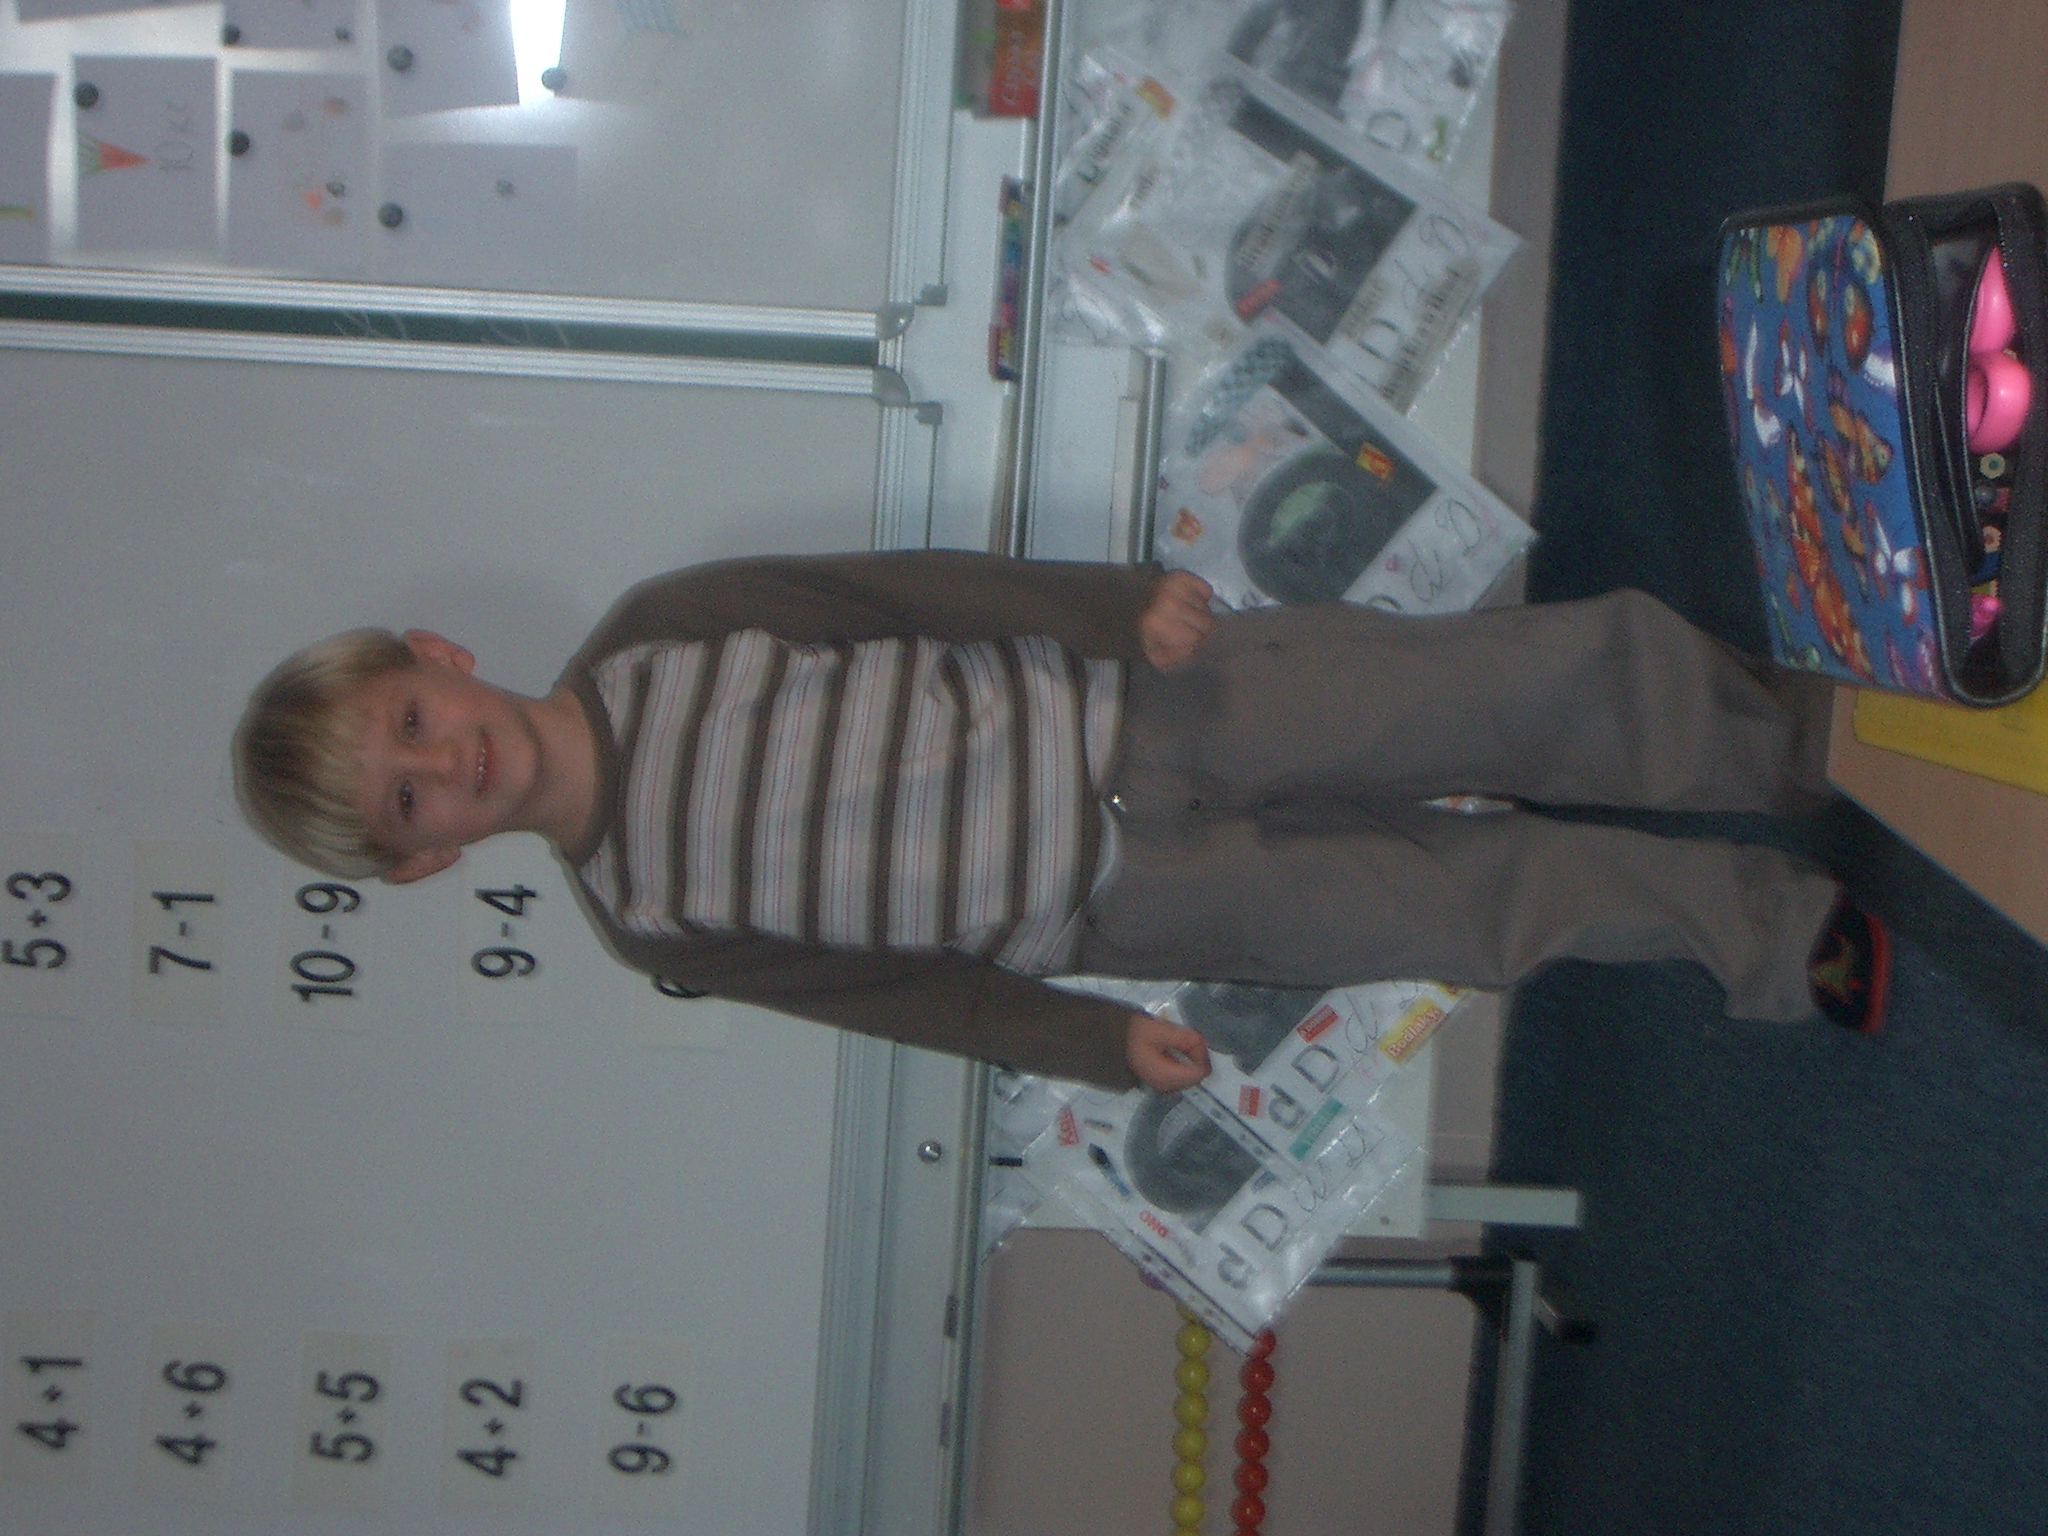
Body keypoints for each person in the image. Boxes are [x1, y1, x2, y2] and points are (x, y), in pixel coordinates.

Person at [233, 550, 1891, 1094]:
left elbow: (911, 593)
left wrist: (1110, 607)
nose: (445, 763)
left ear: (438, 657)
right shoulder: (648, 921)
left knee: (1481, 691)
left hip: (1151, 703)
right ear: (426, 860)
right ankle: (1769, 935)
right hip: (1131, 905)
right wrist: (1095, 1047)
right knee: (1461, 911)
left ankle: (1782, 744)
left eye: (412, 722)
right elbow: (904, 1000)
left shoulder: (662, 629)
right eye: (407, 800)